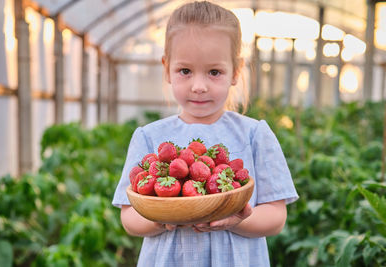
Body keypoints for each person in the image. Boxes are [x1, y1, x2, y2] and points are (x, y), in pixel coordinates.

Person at [112, 1, 298, 266]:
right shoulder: (149, 137)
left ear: (235, 71)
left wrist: (237, 220)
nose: (199, 86)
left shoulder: (254, 135)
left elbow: (276, 217)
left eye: (214, 72)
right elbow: (129, 216)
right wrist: (163, 216)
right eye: (185, 71)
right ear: (167, 69)